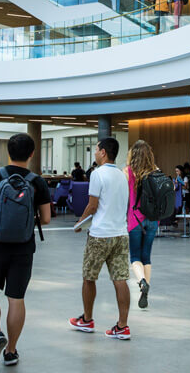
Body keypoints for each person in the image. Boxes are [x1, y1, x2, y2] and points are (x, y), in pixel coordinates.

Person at [0, 133, 51, 365]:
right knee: (16, 298)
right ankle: (11, 351)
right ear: (32, 154)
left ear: (8, 152)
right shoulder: (37, 181)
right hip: (23, 248)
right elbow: (46, 218)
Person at [70, 137, 131, 340]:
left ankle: (87, 320)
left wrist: (80, 223)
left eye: (96, 150)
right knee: (120, 279)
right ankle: (122, 326)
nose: (95, 153)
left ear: (103, 152)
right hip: (121, 234)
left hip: (99, 235)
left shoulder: (97, 174)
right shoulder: (123, 175)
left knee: (89, 277)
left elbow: (93, 206)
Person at [125, 140, 160, 310]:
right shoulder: (156, 171)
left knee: (135, 257)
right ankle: (146, 291)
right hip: (153, 219)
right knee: (147, 256)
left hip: (135, 219)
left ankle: (142, 282)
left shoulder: (128, 172)